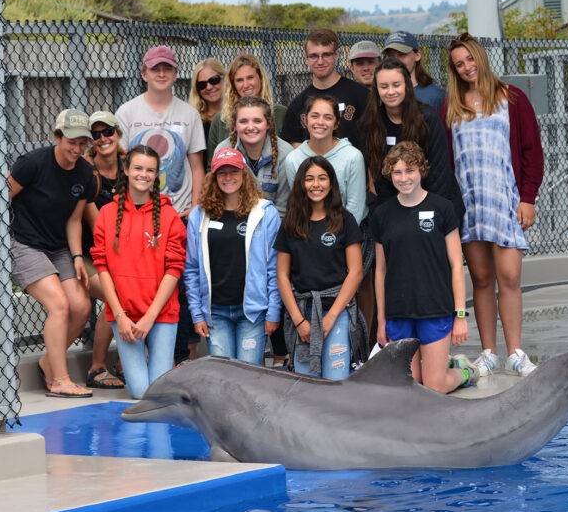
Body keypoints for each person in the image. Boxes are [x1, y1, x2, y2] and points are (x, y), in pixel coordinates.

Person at [444, 33, 544, 377]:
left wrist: (528, 198)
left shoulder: (512, 99)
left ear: (481, 59)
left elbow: (532, 152)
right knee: (482, 279)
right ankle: (489, 353)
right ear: (454, 70)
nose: (467, 67)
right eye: (460, 64)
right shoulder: (451, 106)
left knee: (510, 276)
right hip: (469, 204)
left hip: (506, 202)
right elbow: (446, 159)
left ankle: (516, 352)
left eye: (470, 59)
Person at [115, 45, 206, 366]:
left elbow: (197, 166)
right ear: (144, 73)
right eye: (155, 69)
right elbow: (122, 166)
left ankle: (180, 357)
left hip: (176, 214)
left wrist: (195, 210)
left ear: (176, 73)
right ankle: (140, 356)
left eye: (167, 68)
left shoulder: (188, 115)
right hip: (139, 216)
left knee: (178, 286)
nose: (162, 73)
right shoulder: (127, 113)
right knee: (139, 284)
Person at [372, 142, 476, 393]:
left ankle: (465, 371)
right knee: (412, 386)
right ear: (389, 174)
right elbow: (380, 271)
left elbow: (455, 265)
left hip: (434, 308)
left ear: (421, 171)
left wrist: (460, 316)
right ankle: (440, 364)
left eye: (409, 170)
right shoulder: (382, 214)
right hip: (400, 311)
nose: (404, 178)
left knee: (434, 386)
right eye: (397, 172)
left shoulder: (442, 208)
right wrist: (381, 320)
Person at [9, 108, 96, 398]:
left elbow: (74, 220)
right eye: (71, 141)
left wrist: (76, 257)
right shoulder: (32, 163)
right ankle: (60, 380)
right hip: (24, 243)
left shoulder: (85, 172)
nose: (77, 148)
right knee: (59, 305)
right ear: (57, 137)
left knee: (81, 306)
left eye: (83, 142)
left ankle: (49, 362)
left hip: (59, 247)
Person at [90, 145, 187, 399]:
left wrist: (150, 317)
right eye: (138, 168)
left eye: (150, 170)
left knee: (157, 391)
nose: (143, 174)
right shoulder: (107, 214)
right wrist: (119, 316)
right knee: (140, 391)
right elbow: (102, 267)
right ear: (126, 170)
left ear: (156, 175)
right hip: (125, 317)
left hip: (161, 314)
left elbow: (174, 268)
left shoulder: (169, 215)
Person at [185, 148, 281, 365]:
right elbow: (191, 268)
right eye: (222, 173)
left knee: (250, 378)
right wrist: (197, 314)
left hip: (252, 312)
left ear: (244, 174)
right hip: (215, 312)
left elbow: (274, 267)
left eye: (234, 171)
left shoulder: (265, 213)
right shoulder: (199, 215)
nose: (228, 178)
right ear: (214, 177)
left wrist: (273, 312)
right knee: (222, 380)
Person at [275, 156, 366, 379]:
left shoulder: (345, 219)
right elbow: (282, 276)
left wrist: (332, 316)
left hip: (337, 310)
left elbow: (355, 272)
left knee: (337, 379)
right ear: (301, 184)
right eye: (310, 179)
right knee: (305, 384)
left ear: (331, 182)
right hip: (303, 311)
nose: (316, 184)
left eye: (322, 178)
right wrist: (298, 321)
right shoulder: (291, 222)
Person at [361, 58, 464, 221]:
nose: (390, 91)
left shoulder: (427, 118)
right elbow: (380, 177)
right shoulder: (372, 123)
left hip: (434, 207)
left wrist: (425, 215)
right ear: (376, 89)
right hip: (396, 209)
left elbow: (439, 174)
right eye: (384, 86)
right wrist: (396, 217)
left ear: (407, 86)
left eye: (396, 85)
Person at [80, 110, 126, 390]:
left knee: (136, 285)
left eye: (107, 132)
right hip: (87, 254)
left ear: (117, 133)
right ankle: (97, 366)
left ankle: (124, 362)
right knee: (116, 292)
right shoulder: (86, 169)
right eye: (95, 135)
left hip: (120, 252)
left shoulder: (128, 164)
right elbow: (100, 228)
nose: (102, 138)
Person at [280, 95, 367, 224]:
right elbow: (300, 203)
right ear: (305, 120)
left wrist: (338, 238)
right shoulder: (293, 159)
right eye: (315, 116)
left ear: (336, 123)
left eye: (328, 117)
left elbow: (356, 208)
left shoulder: (353, 157)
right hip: (310, 229)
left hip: (349, 230)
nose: (320, 122)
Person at [279, 28, 368, 150]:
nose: (320, 61)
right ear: (306, 58)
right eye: (314, 56)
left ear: (337, 55)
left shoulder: (362, 95)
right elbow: (296, 151)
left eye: (326, 54)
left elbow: (374, 140)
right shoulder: (298, 105)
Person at [213, 95, 293, 216]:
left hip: (271, 224)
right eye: (243, 121)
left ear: (268, 123)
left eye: (257, 121)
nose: (250, 127)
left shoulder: (285, 153)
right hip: (234, 220)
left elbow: (283, 208)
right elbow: (218, 198)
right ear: (234, 125)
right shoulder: (223, 151)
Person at [206, 54, 286, 165]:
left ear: (260, 79)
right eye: (239, 80)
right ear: (233, 85)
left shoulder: (281, 113)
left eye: (250, 77)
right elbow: (212, 166)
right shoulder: (220, 120)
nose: (246, 85)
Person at [382, 31, 447, 110]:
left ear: (417, 55)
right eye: (391, 56)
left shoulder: (436, 95)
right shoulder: (383, 95)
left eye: (402, 54)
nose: (396, 60)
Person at [187, 58, 226, 168]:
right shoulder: (194, 120)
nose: (209, 87)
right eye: (202, 84)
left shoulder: (240, 115)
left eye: (214, 80)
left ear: (224, 79)